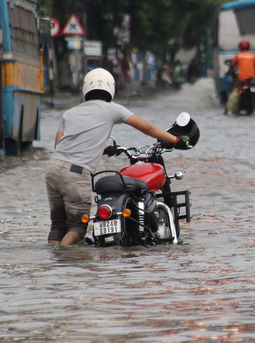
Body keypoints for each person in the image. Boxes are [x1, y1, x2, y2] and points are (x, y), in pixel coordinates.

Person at [45, 68, 190, 246]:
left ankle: (53, 264)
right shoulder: (112, 109)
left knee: (58, 227)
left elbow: (59, 146)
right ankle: (63, 256)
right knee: (77, 227)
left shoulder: (68, 114)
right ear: (110, 90)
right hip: (76, 172)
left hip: (53, 169)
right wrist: (176, 139)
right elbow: (147, 128)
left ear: (85, 90)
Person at [223, 40, 255, 115]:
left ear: (240, 47)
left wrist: (229, 72)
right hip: (252, 79)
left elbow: (232, 66)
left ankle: (226, 110)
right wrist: (254, 75)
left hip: (242, 79)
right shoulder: (253, 56)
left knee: (234, 91)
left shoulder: (238, 56)